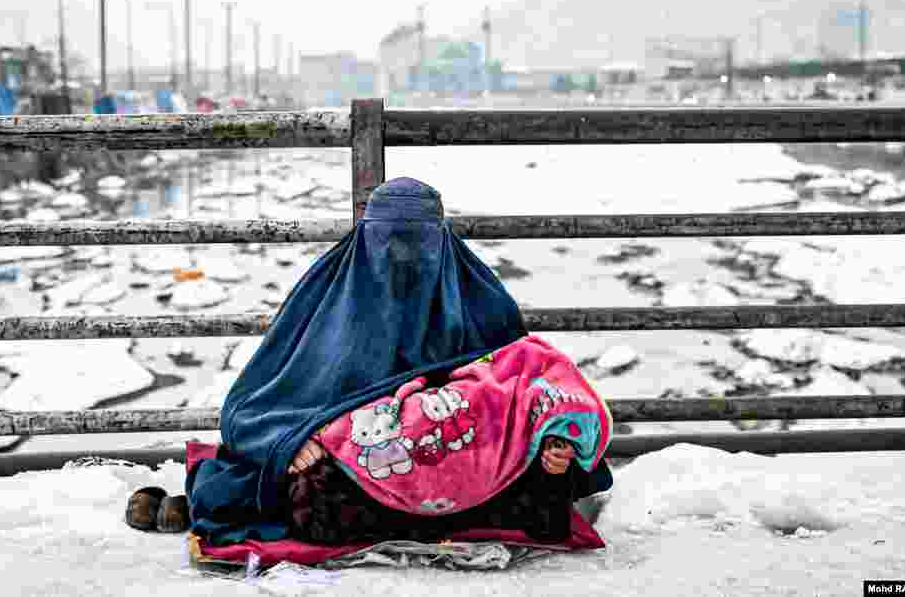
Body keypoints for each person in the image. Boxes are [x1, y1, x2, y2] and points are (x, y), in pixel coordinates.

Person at [126, 177, 612, 543]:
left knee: (521, 491)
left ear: (440, 237)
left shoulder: (477, 298)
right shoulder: (327, 294)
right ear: (366, 236)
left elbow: (519, 382)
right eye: (389, 241)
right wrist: (293, 440)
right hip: (354, 458)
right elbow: (256, 399)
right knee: (291, 488)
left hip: (458, 461)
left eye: (416, 242)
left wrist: (550, 447)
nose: (402, 257)